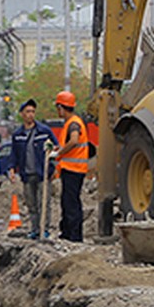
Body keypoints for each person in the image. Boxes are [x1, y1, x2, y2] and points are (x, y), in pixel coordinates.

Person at [7, 99, 58, 239]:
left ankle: (44, 229)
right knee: (31, 204)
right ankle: (35, 229)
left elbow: (56, 148)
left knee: (44, 203)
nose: (31, 114)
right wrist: (11, 169)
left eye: (33, 112)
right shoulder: (18, 135)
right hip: (27, 174)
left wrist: (54, 167)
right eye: (28, 112)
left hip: (43, 173)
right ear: (22, 114)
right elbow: (14, 154)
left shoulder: (44, 131)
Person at [52, 90, 88, 242]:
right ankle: (66, 232)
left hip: (74, 170)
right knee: (67, 201)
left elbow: (73, 141)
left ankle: (74, 235)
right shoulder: (72, 122)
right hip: (72, 169)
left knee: (71, 202)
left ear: (61, 107)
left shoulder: (73, 123)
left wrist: (59, 153)